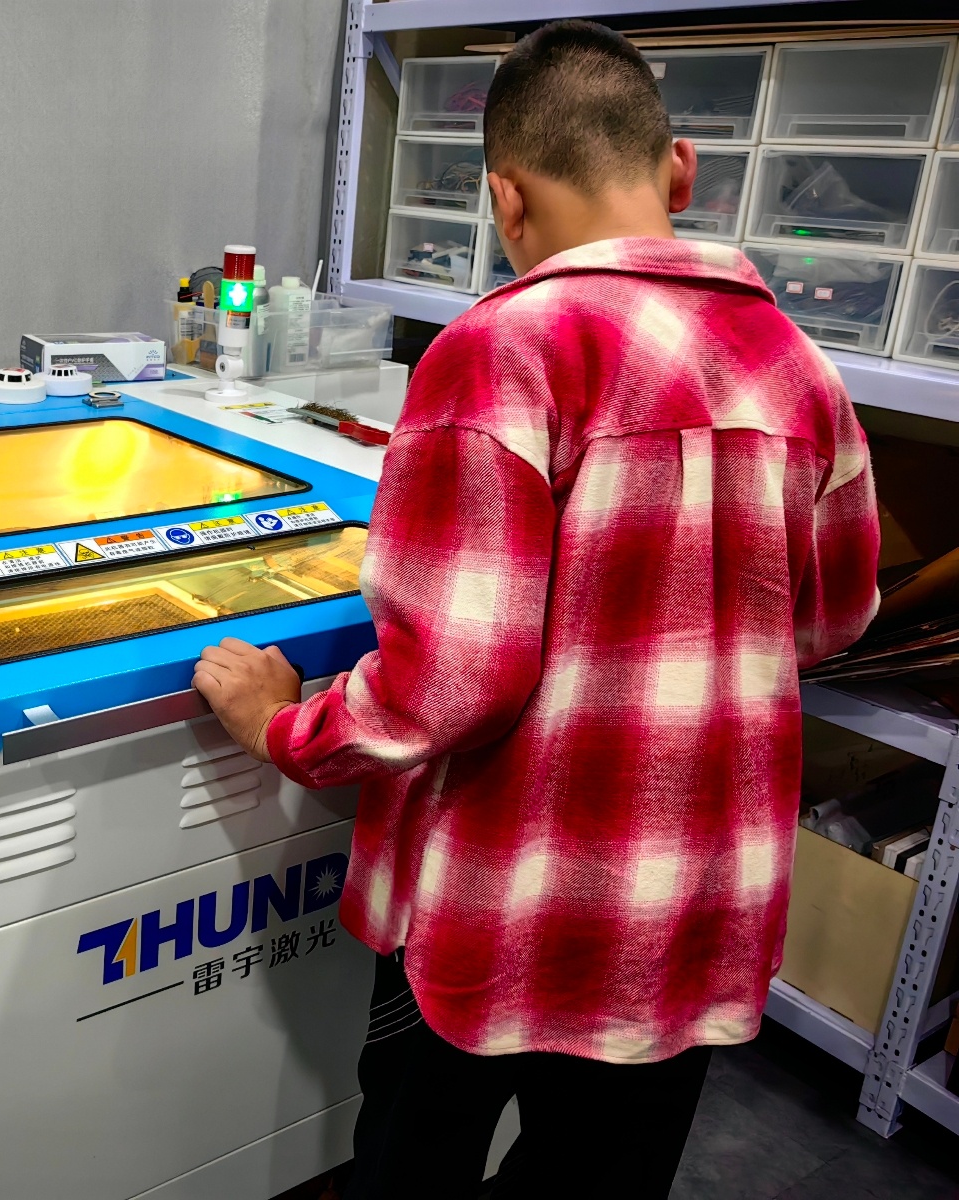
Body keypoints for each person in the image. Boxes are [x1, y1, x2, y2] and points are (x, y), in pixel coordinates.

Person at [192, 19, 880, 1199]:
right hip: (689, 912)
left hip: (498, 910)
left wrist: (280, 726)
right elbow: (828, 619)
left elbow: (448, 685)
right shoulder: (799, 369)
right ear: (680, 170)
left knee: (413, 1164)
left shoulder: (501, 351)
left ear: (503, 196)